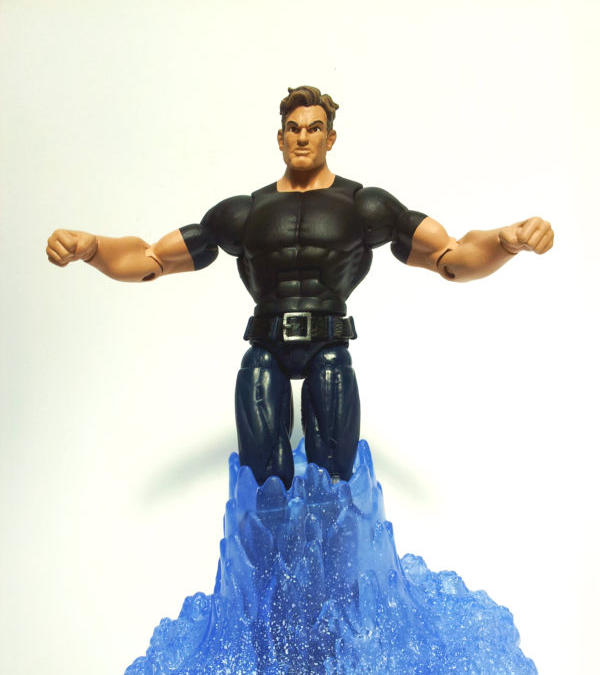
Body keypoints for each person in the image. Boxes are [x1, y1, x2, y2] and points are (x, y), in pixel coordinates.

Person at [47, 85, 553, 489]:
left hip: (328, 348)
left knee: (333, 484)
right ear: (280, 138)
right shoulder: (245, 212)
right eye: (293, 129)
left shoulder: (363, 205)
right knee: (263, 482)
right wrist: (93, 248)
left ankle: (330, 579)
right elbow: (152, 258)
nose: (303, 138)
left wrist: (504, 241)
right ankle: (274, 581)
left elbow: (451, 257)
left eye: (314, 129)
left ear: (331, 138)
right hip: (265, 347)